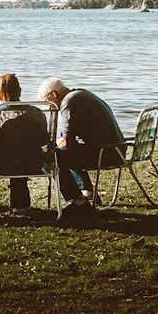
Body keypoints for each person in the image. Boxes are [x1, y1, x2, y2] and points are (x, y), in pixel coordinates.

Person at [37, 77, 126, 218]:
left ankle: (79, 203)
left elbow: (67, 142)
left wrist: (50, 148)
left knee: (52, 158)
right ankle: (87, 192)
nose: (48, 107)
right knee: (65, 152)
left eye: (47, 102)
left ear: (53, 95)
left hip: (107, 153)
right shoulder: (80, 94)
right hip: (115, 149)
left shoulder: (68, 102)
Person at [0, 73, 49, 214]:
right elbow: (43, 139)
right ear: (19, 90)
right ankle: (20, 205)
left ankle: (19, 206)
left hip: (1, 164)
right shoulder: (36, 113)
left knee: (13, 155)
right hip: (34, 163)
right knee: (21, 154)